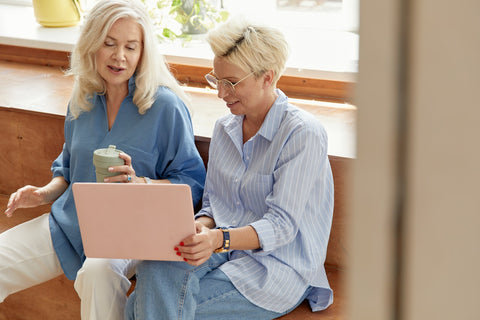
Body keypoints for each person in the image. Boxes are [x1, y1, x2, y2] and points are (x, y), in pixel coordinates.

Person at [1, 0, 206, 319]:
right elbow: (68, 169)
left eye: (130, 46)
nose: (119, 56)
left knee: (98, 273)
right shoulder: (82, 98)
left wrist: (141, 183)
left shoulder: (165, 107)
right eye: (109, 43)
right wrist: (43, 193)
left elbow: (192, 184)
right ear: (92, 45)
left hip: (135, 228)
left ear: (143, 52)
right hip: (72, 223)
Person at [125, 16, 334, 320]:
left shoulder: (302, 134)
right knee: (153, 268)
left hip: (278, 267)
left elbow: (281, 226)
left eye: (231, 83)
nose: (221, 93)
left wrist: (218, 239)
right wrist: (204, 226)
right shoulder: (225, 128)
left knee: (141, 310)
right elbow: (213, 202)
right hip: (222, 250)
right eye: (216, 80)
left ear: (267, 77)